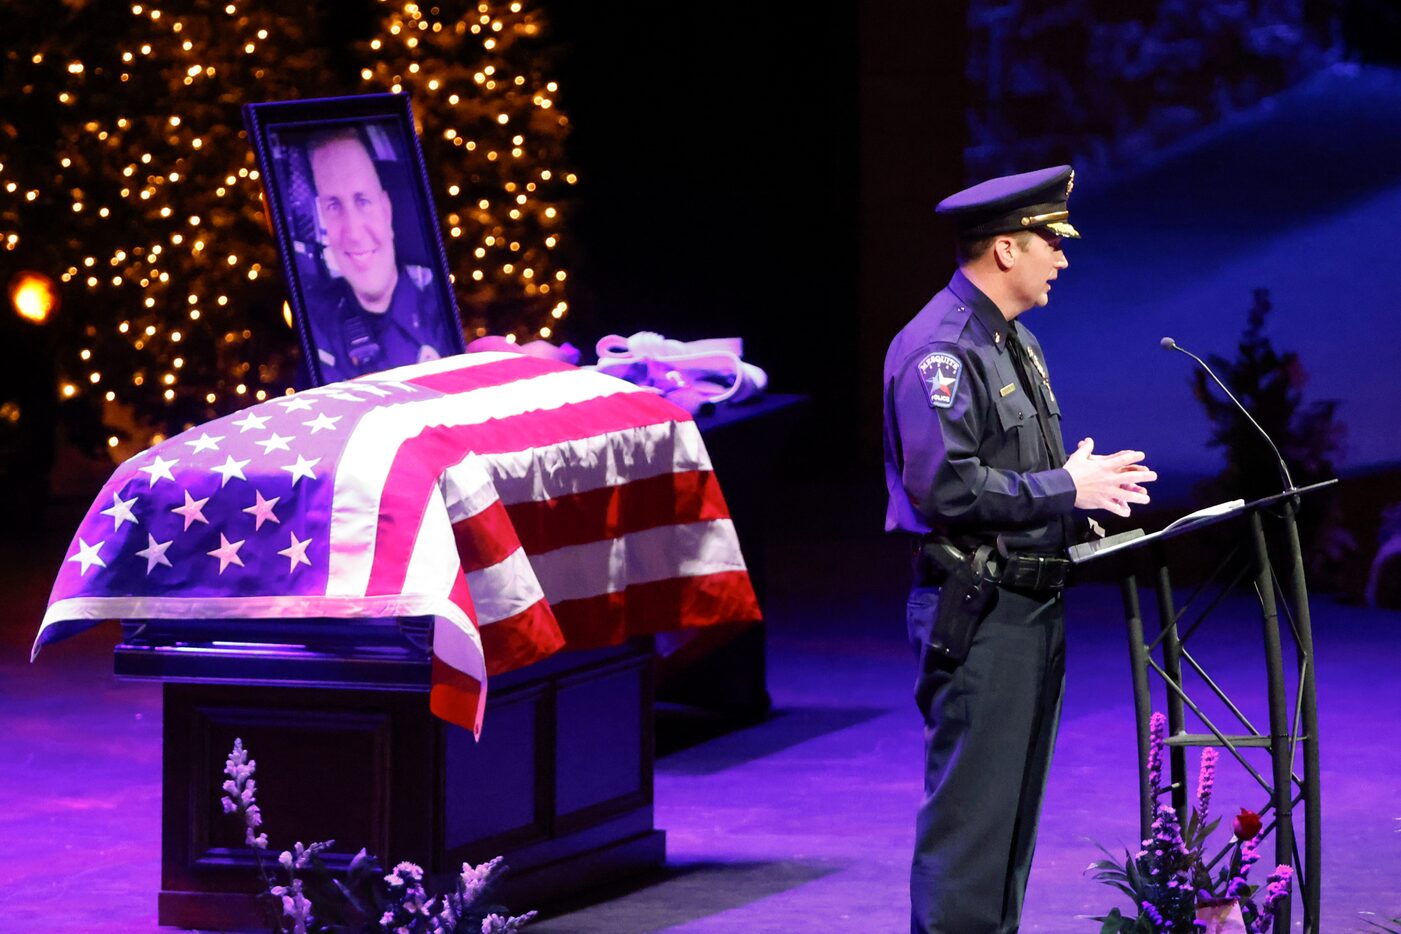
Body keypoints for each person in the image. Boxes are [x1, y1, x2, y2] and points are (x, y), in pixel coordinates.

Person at [882, 165, 1158, 933]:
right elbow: (947, 490)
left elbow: (1021, 478)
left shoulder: (1015, 342)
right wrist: (1064, 488)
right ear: (1004, 249)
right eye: (1050, 242)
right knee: (971, 829)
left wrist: (1085, 502)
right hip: (979, 611)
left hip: (1030, 604)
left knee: (1008, 829)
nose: (1060, 259)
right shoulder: (941, 350)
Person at [304, 129, 458, 383]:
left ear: (386, 210)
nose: (353, 233)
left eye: (363, 201)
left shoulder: (443, 316)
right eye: (334, 206)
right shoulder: (317, 324)